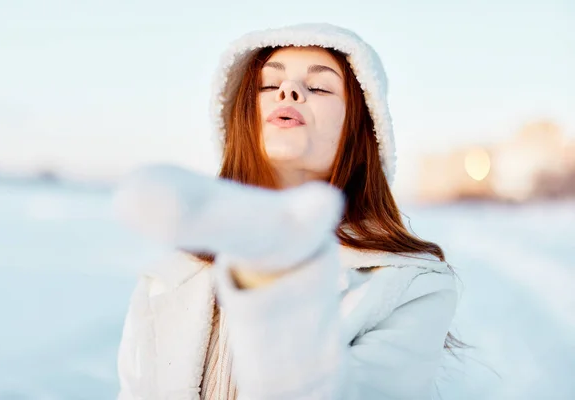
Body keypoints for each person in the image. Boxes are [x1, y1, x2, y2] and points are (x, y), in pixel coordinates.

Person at [113, 23, 460, 400]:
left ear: (362, 129)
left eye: (319, 87)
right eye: (267, 84)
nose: (288, 91)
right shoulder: (170, 276)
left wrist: (276, 272)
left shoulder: (412, 285)